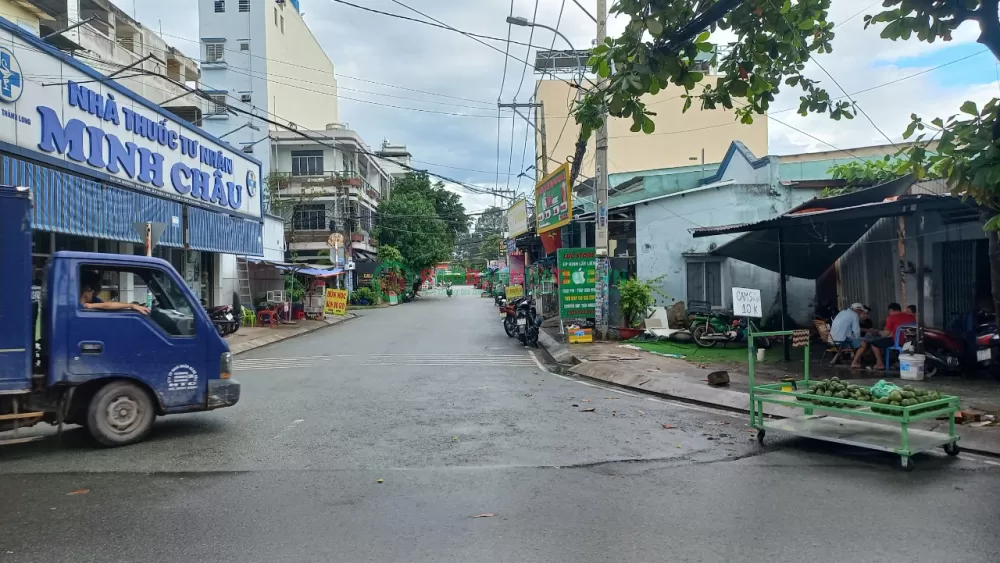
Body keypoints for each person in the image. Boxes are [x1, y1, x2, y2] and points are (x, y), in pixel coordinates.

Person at [852, 303, 915, 370]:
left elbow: (885, 334)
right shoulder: (911, 317)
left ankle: (880, 364)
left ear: (890, 310)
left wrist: (878, 332)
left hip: (897, 341)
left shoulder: (891, 317)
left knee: (875, 343)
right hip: (910, 341)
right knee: (880, 341)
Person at [80, 283, 149, 315]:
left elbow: (105, 304)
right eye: (92, 292)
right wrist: (132, 305)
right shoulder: (84, 305)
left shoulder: (89, 302)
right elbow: (107, 305)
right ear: (86, 292)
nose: (93, 294)